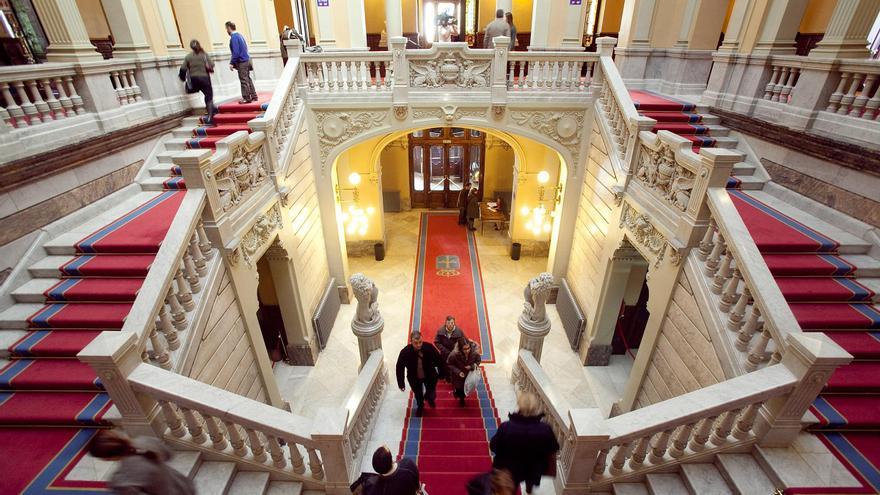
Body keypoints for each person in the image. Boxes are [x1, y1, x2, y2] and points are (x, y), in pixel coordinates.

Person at [490, 392, 560, 494]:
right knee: (530, 478)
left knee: (509, 487)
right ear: (536, 408)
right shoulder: (545, 429)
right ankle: (529, 489)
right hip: (533, 467)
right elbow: (553, 448)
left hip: (510, 469)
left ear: (519, 406)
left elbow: (493, 446)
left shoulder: (506, 427)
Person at [88, 429, 196, 495]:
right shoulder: (145, 441)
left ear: (107, 458)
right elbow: (169, 454)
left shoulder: (121, 481)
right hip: (183, 486)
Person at [397, 331, 444, 416]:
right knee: (418, 394)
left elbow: (439, 360)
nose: (418, 345)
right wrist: (401, 383)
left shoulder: (429, 347)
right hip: (414, 377)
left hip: (430, 375)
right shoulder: (405, 352)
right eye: (416, 343)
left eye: (420, 342)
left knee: (431, 393)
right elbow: (399, 367)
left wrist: (442, 373)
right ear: (411, 342)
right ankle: (420, 406)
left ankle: (430, 399)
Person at [179, 39, 217, 124]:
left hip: (194, 79)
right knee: (208, 96)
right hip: (204, 78)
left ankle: (212, 108)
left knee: (205, 94)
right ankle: (211, 116)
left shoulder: (188, 56)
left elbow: (183, 68)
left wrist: (182, 78)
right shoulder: (204, 55)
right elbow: (212, 64)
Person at [226, 21, 257, 104]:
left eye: (226, 29)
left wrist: (232, 63)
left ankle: (246, 98)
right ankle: (254, 95)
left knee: (243, 80)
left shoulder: (234, 37)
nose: (226, 31)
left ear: (229, 28)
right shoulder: (240, 36)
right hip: (246, 59)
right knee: (248, 78)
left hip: (242, 61)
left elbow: (236, 52)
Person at [447, 338, 481, 406]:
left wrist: (471, 367)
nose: (467, 351)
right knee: (459, 388)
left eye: (468, 348)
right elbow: (449, 364)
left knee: (465, 389)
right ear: (460, 348)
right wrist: (458, 372)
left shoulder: (474, 353)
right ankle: (459, 396)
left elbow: (478, 361)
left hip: (469, 375)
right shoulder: (454, 354)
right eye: (464, 349)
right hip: (458, 377)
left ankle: (462, 398)